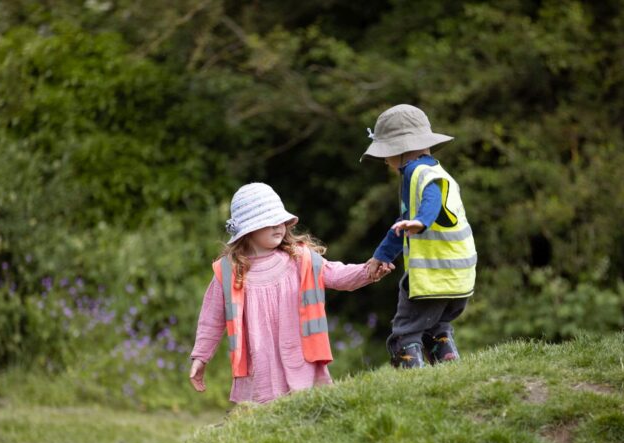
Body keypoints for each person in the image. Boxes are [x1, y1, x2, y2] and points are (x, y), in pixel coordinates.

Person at [189, 182, 391, 404]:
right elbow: (211, 319)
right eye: (269, 222)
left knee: (308, 412)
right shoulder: (228, 271)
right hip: (259, 365)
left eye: (281, 221)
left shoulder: (300, 260)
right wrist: (201, 357)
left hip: (301, 356)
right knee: (265, 420)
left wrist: (368, 271)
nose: (278, 226)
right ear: (247, 229)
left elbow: (337, 275)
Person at [363, 104, 477, 369]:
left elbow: (431, 199)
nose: (385, 162)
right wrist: (382, 255)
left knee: (405, 332)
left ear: (399, 151)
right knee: (436, 326)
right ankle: (447, 363)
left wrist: (422, 221)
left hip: (431, 276)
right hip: (459, 277)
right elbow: (400, 226)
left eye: (386, 154)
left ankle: (411, 377)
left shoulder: (418, 172)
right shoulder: (436, 169)